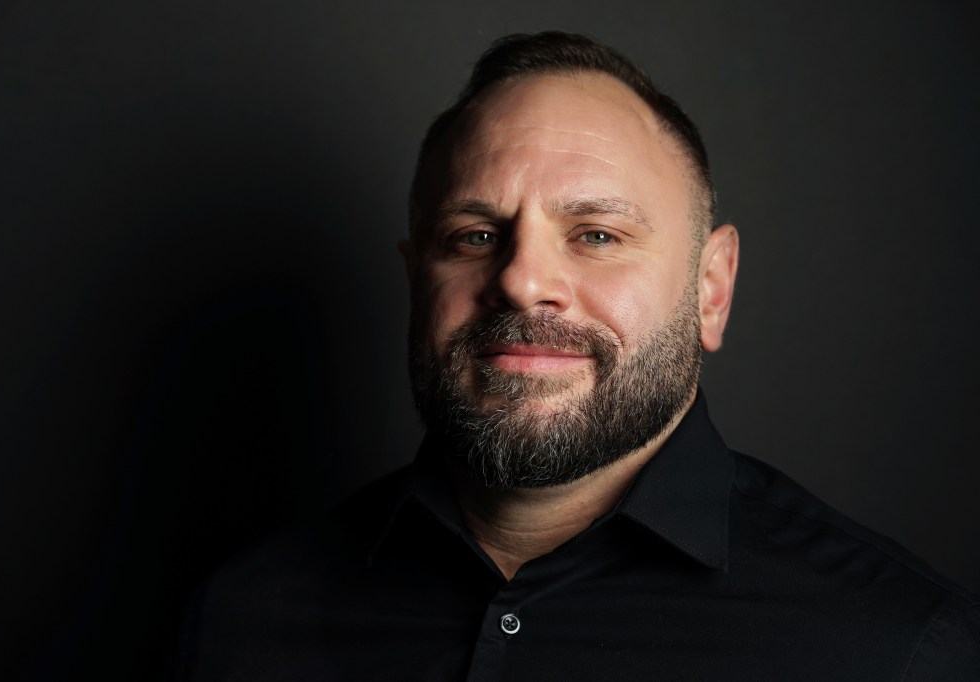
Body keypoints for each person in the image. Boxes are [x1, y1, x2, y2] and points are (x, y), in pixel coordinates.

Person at [176, 31, 979, 680]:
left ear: (711, 288)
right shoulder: (240, 620)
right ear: (417, 279)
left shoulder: (898, 651)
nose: (523, 281)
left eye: (596, 235)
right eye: (475, 237)